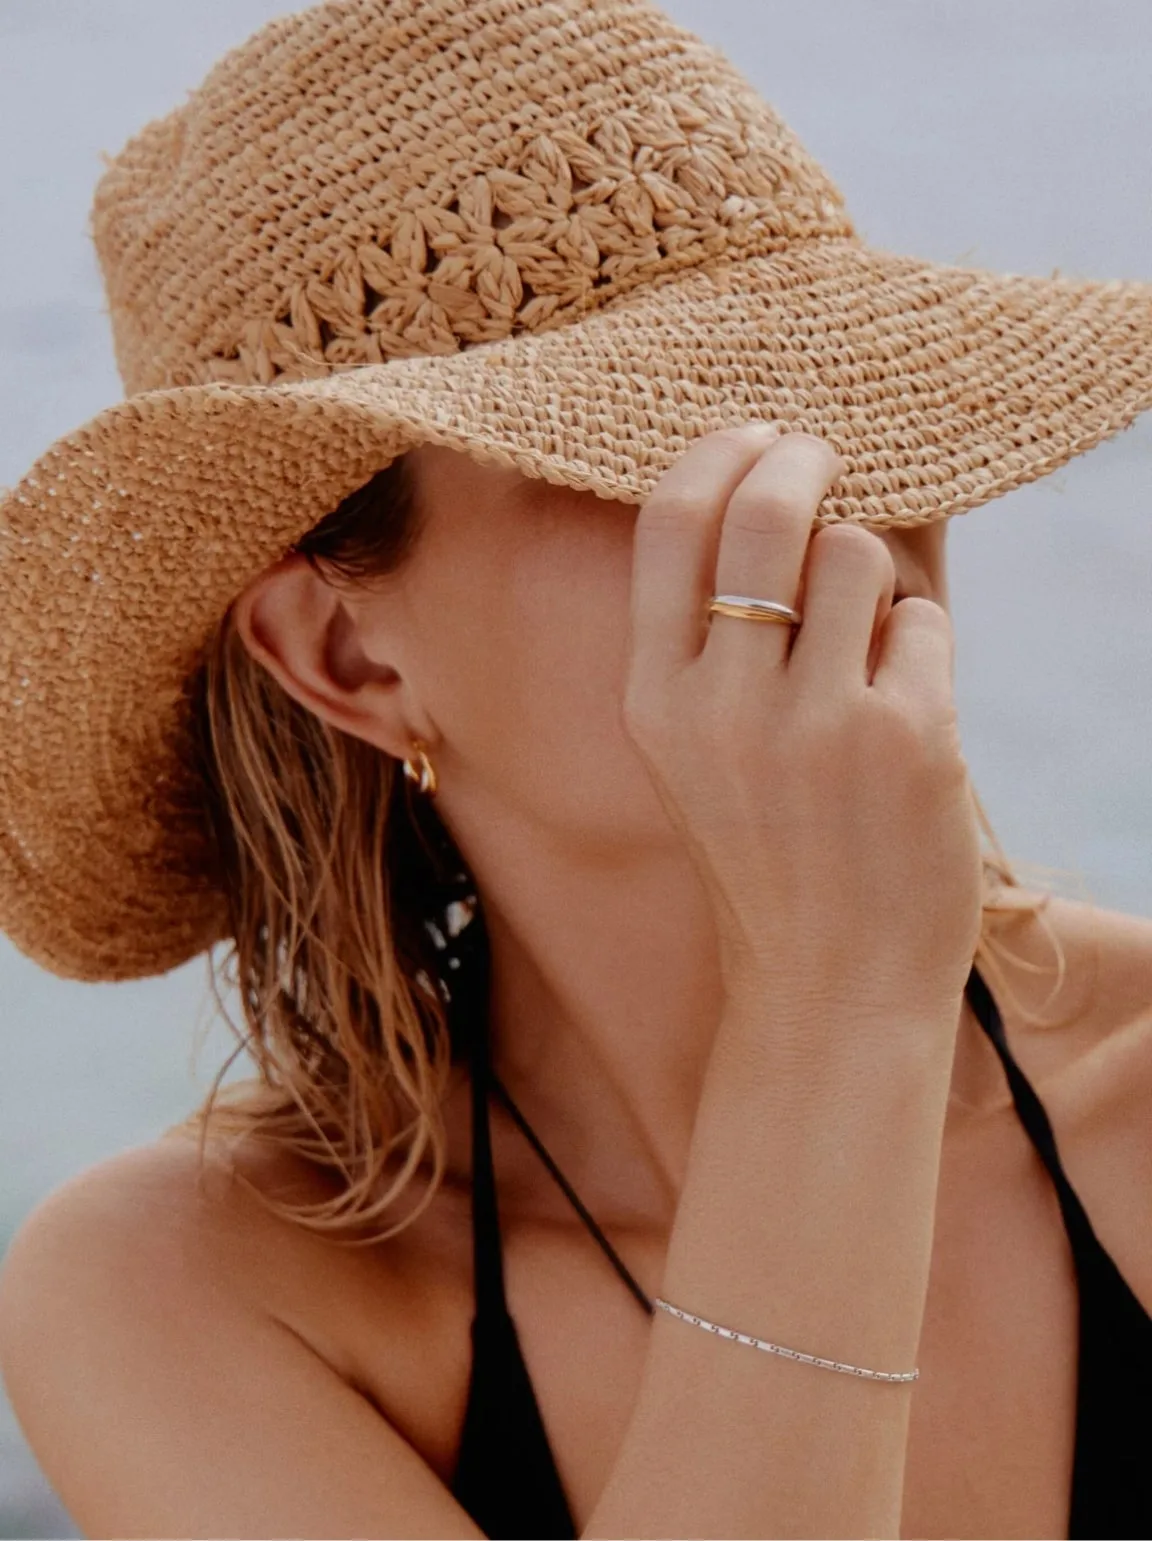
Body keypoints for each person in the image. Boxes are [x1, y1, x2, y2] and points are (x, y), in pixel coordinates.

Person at [0, 2, 1150, 1538]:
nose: (822, 502)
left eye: (846, 394)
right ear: (347, 660)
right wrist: (833, 1005)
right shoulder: (186, 1292)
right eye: (662, 440)